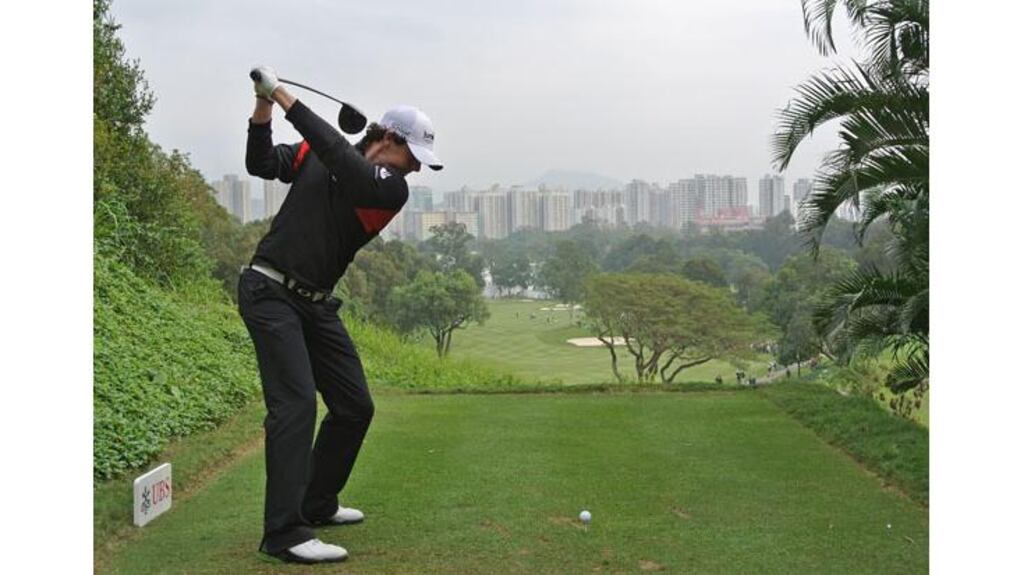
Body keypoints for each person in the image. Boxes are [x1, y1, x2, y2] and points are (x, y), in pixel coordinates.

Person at [238, 66, 443, 564]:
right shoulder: (319, 154)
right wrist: (263, 105)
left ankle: (316, 502)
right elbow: (261, 162)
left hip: (313, 304)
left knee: (354, 406)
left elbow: (343, 163)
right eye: (412, 155)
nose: (415, 168)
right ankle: (284, 533)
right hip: (268, 289)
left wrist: (284, 96)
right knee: (295, 405)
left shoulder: (389, 189)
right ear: (388, 138)